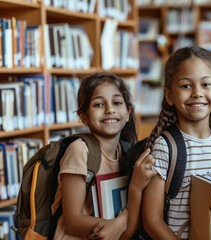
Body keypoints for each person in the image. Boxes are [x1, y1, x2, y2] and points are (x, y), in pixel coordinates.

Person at [141, 46, 211, 239]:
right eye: (186, 85)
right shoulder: (164, 148)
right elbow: (152, 220)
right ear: (169, 95)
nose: (197, 93)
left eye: (205, 85)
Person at [52, 72, 156, 240]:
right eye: (99, 104)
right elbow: (73, 221)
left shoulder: (127, 153)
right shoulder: (79, 150)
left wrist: (122, 222)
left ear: (128, 112)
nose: (110, 109)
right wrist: (121, 221)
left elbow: (128, 230)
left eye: (117, 102)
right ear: (83, 116)